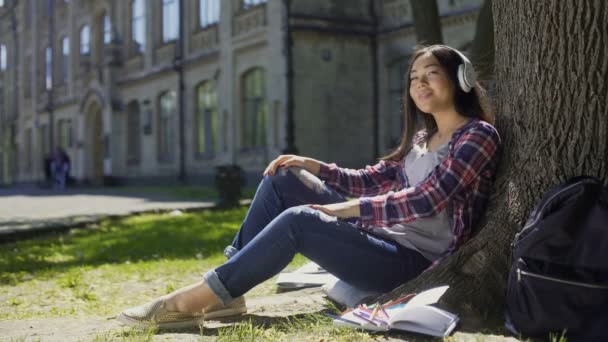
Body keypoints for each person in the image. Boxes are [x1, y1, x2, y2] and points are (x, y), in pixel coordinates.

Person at [118, 45, 501, 329]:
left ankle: (190, 302)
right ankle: (228, 289)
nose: (420, 83)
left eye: (430, 74)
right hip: (381, 240)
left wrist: (344, 210)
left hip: (410, 263)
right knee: (284, 178)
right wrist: (313, 166)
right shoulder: (422, 138)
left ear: (460, 79)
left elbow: (427, 199)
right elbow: (370, 180)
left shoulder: (477, 136)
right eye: (414, 77)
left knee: (300, 221)